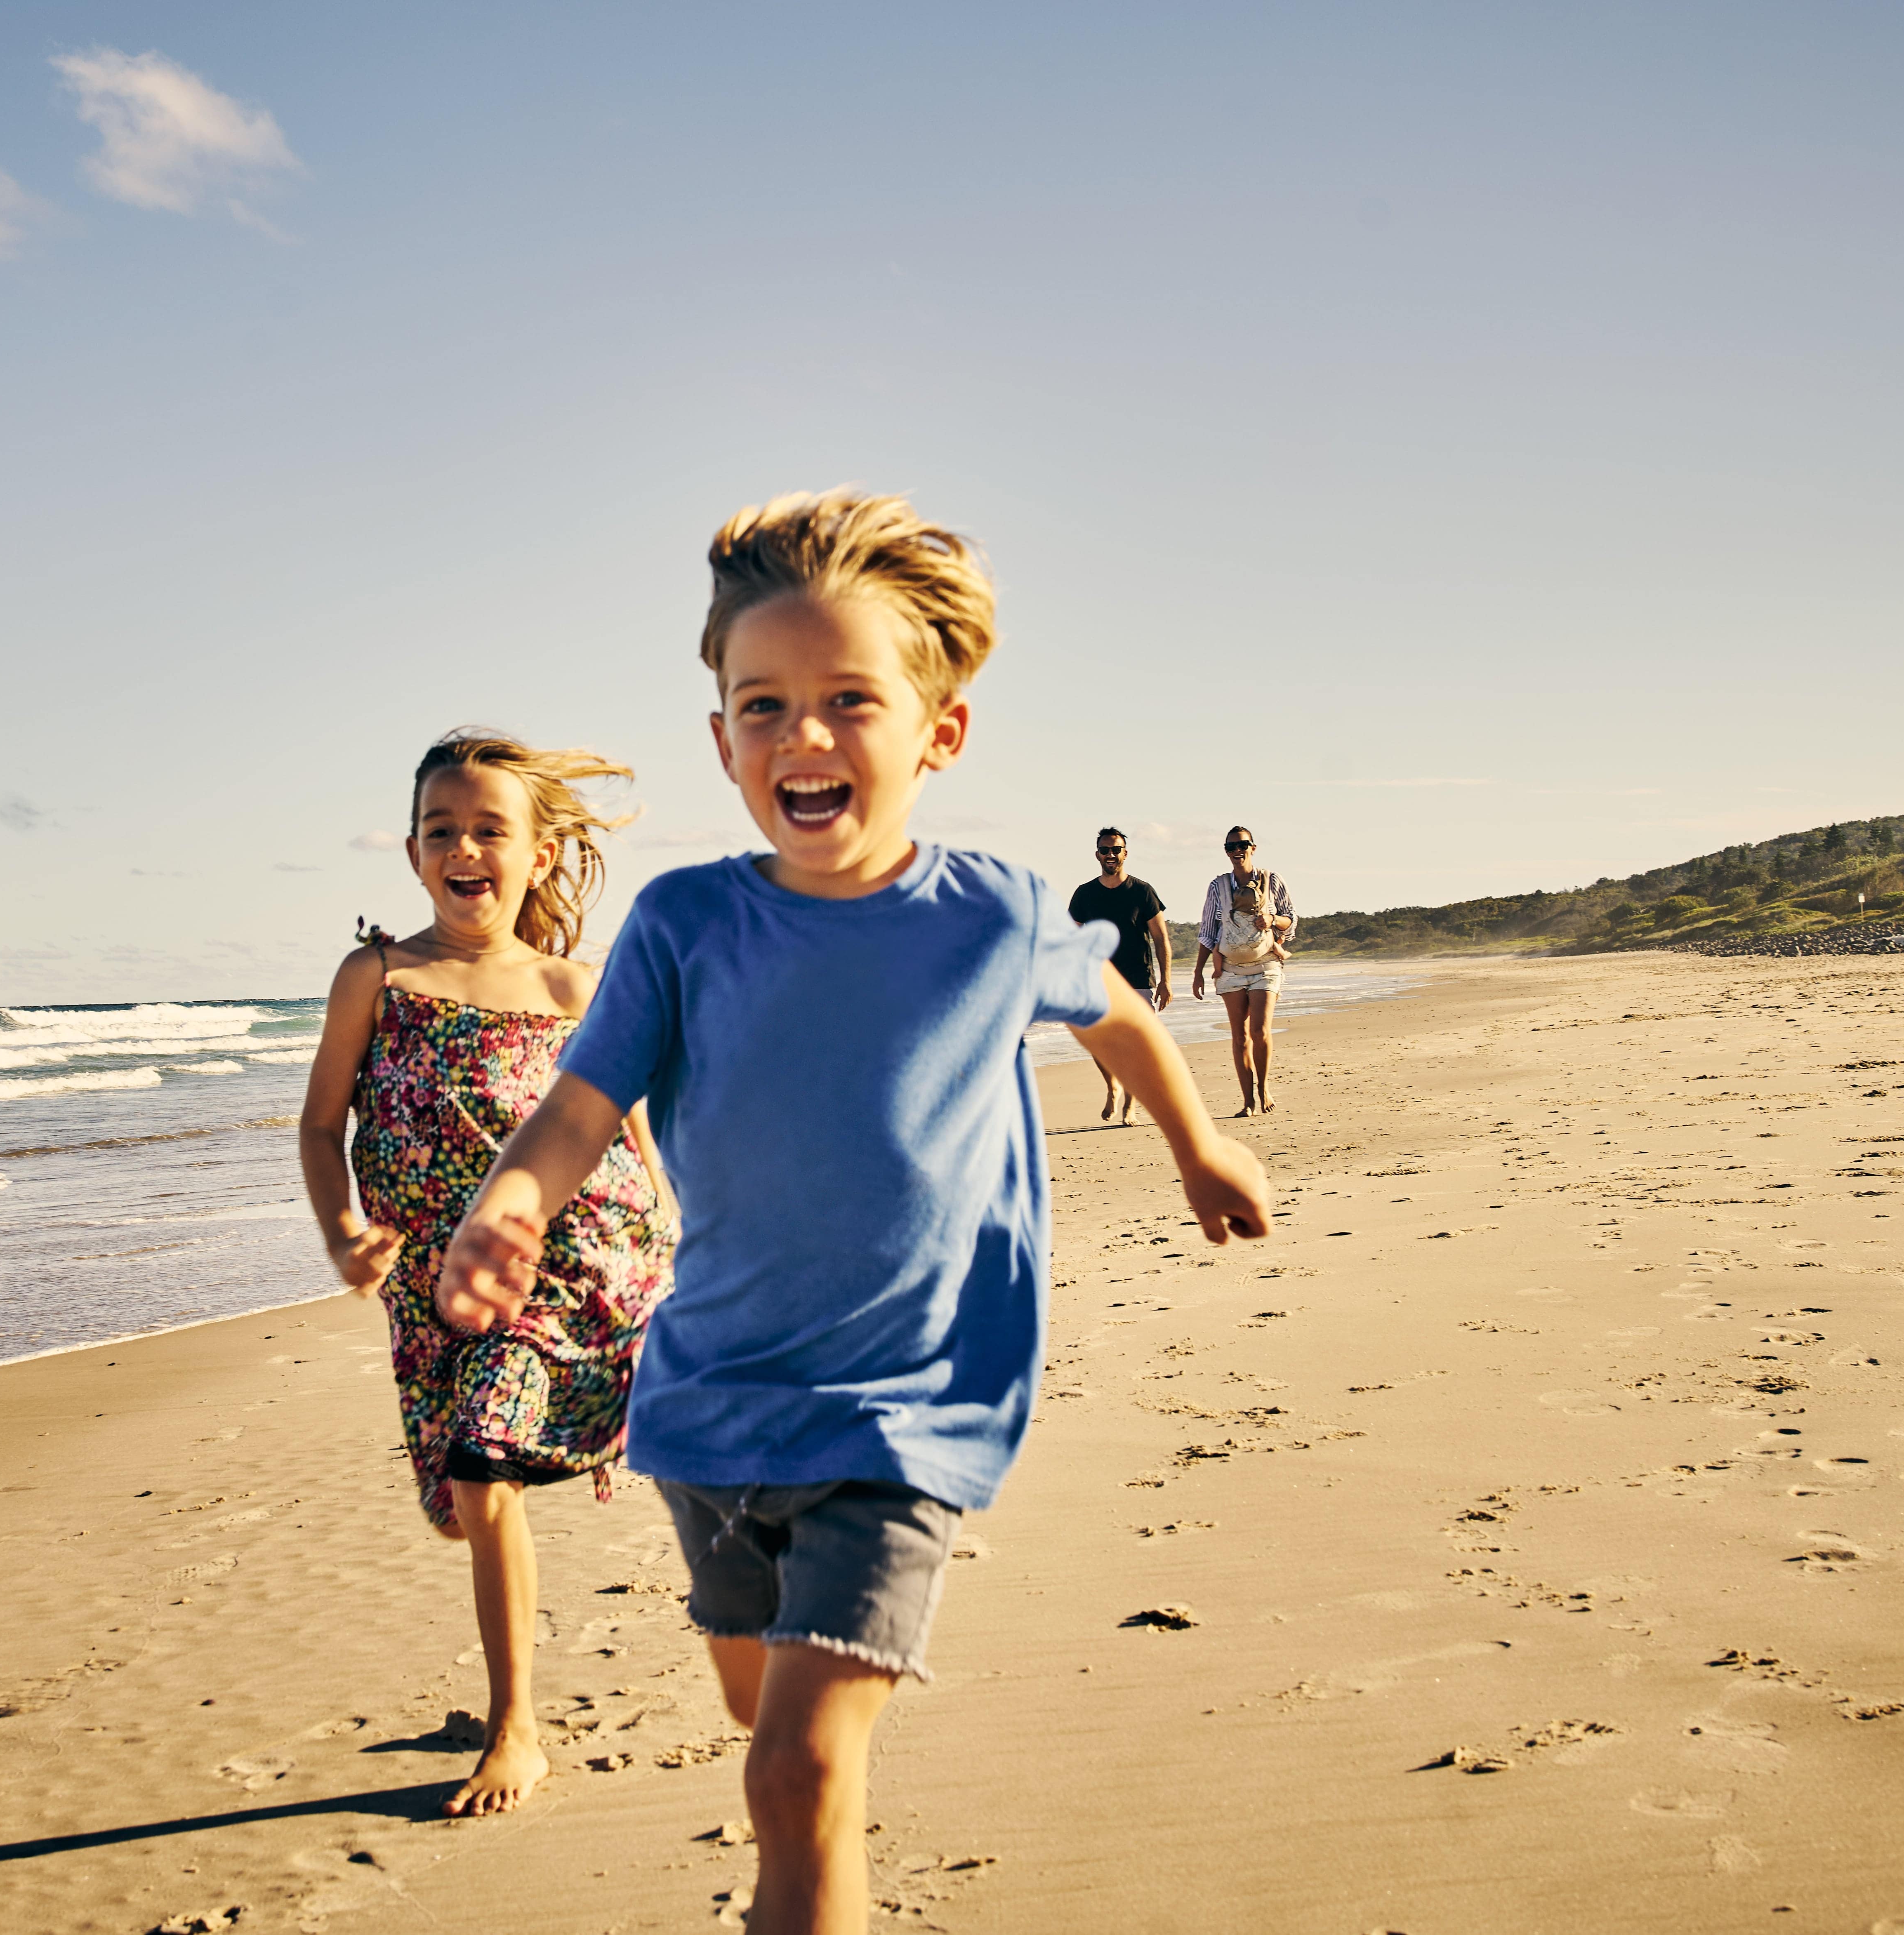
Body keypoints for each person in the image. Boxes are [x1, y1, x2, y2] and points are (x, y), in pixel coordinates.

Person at [432, 493, 1274, 1935]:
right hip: (708, 1412)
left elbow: (1120, 1009)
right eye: (763, 707)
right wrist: (510, 1201)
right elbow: (581, 1104)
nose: (801, 739)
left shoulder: (990, 913)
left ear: (938, 733)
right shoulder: (687, 924)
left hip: (905, 1411)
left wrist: (1199, 1148)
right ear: (721, 741)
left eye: (847, 703)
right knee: (781, 1757)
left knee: (796, 1772)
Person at [296, 729, 676, 1819]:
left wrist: (675, 1229)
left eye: (490, 829)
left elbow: (635, 1138)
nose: (465, 847)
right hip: (430, 1286)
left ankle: (519, 1729)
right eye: (442, 830)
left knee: (482, 1465)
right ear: (415, 852)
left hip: (568, 1264)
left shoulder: (571, 986)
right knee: (461, 1503)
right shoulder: (378, 976)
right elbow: (324, 1126)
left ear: (541, 854)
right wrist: (342, 1231)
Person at [1190, 826, 1296, 1117]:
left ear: (1253, 847)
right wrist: (1199, 972)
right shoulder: (1218, 886)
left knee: (1260, 1030)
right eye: (1232, 847)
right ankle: (1247, 1100)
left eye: (1243, 845)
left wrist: (1272, 918)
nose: (1238, 851)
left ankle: (1263, 1089)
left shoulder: (1272, 880)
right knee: (1239, 1037)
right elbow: (1208, 932)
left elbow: (1291, 918)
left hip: (1266, 965)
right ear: (1226, 851)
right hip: (1231, 969)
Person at [1067, 826, 1170, 1124]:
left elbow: (1161, 938)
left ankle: (1130, 1104)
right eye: (1105, 850)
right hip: (1098, 981)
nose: (1111, 855)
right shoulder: (1084, 894)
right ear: (1097, 854)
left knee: (1136, 1046)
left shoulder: (1142, 891)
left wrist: (1165, 981)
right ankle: (1112, 1086)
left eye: (1116, 850)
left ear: (1125, 853)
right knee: (1099, 1041)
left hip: (1139, 979)